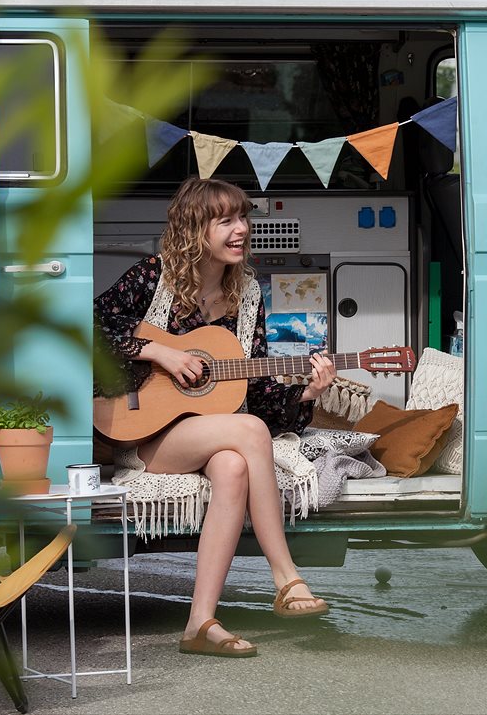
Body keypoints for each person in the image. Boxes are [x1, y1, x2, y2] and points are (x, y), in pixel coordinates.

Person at [94, 176, 336, 658]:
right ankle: (286, 579)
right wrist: (160, 351)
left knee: (234, 464)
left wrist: (307, 391)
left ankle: (199, 622)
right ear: (194, 228)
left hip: (198, 433)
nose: (241, 229)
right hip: (138, 430)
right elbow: (92, 327)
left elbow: (258, 398)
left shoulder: (247, 297)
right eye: (225, 220)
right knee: (246, 432)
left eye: (243, 217)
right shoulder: (151, 277)